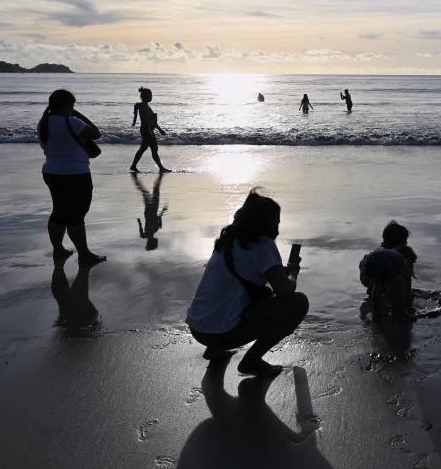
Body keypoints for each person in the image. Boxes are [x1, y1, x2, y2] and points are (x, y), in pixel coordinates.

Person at [186, 191, 308, 377]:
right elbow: (285, 291)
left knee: (262, 294)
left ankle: (214, 350)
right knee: (298, 303)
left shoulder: (228, 241)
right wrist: (293, 273)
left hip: (198, 328)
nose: (277, 230)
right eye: (276, 223)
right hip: (221, 334)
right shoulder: (263, 244)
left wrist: (277, 273)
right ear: (265, 223)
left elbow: (243, 278)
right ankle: (251, 361)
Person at [37, 89, 106, 265]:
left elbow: (45, 146)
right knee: (77, 214)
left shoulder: (43, 123)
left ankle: (58, 249)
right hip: (76, 174)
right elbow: (96, 133)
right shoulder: (73, 122)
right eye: (73, 105)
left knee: (59, 211)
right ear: (67, 105)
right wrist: (77, 114)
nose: (73, 108)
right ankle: (84, 254)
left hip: (52, 172)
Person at [359, 220, 417, 321]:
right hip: (382, 269)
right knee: (398, 284)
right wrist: (409, 307)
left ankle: (376, 312)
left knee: (378, 283)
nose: (407, 243)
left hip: (366, 270)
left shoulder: (378, 251)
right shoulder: (400, 259)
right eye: (405, 241)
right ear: (402, 243)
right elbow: (407, 286)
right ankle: (401, 314)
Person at [130, 86, 170, 173]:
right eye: (150, 95)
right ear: (145, 96)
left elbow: (152, 121)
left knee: (143, 149)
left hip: (146, 130)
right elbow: (149, 120)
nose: (151, 97)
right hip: (147, 130)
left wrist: (159, 130)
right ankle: (161, 168)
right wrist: (159, 129)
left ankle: (133, 166)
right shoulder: (143, 106)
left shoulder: (142, 106)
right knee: (154, 148)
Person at [133, 172, 167, 250]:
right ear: (149, 242)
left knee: (154, 190)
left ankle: (160, 176)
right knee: (146, 193)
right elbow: (141, 231)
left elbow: (159, 217)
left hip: (153, 209)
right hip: (148, 212)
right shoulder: (145, 235)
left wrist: (163, 210)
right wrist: (139, 222)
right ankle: (136, 180)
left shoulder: (156, 229)